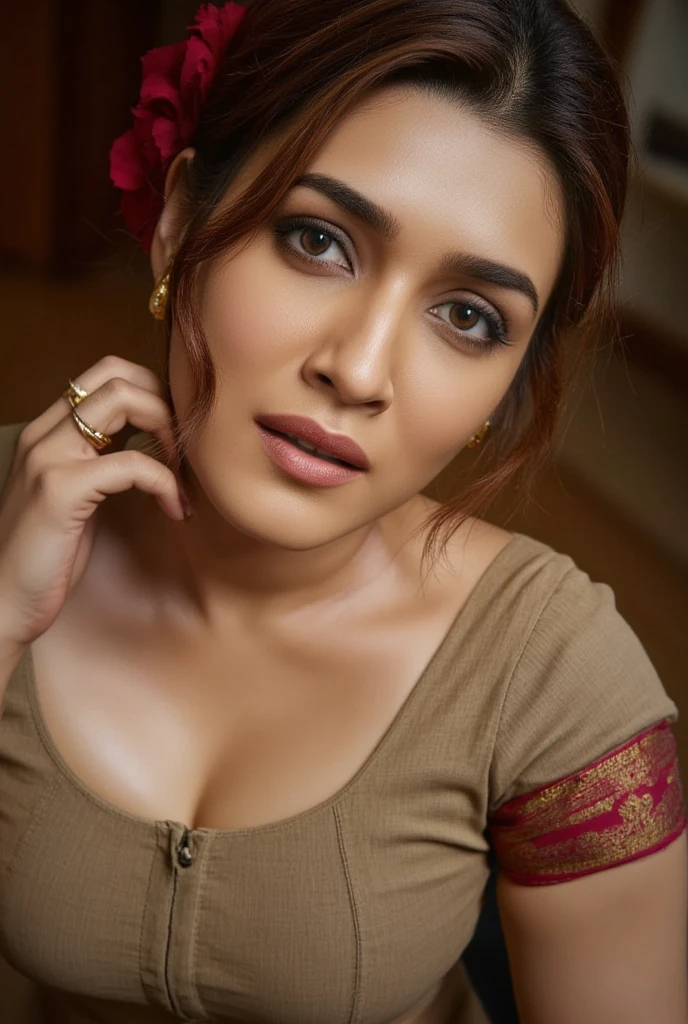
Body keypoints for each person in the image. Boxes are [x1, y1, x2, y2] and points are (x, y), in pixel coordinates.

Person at [0, 1, 686, 1021]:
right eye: (318, 240)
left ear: (502, 388)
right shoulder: (13, 521)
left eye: (467, 317)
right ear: (182, 224)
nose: (358, 369)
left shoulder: (556, 675)